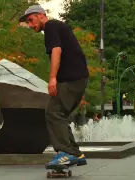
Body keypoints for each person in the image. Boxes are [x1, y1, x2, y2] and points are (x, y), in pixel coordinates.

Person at [19, 5, 89, 167]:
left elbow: (57, 51)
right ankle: (76, 154)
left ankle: (66, 153)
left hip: (71, 79)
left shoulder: (50, 26)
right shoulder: (57, 27)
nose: (30, 25)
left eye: (31, 20)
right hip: (77, 78)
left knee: (53, 113)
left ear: (41, 15)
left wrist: (52, 78)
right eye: (28, 22)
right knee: (60, 114)